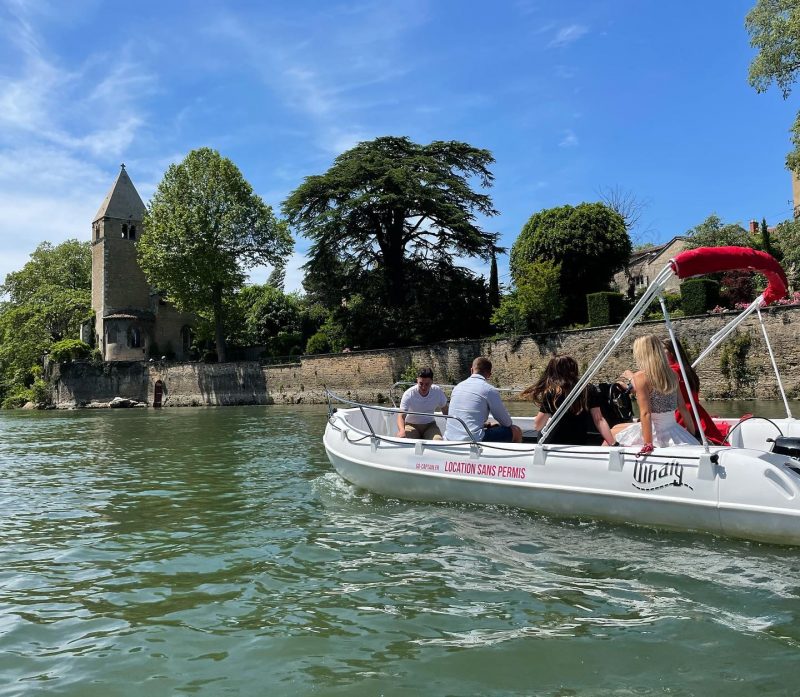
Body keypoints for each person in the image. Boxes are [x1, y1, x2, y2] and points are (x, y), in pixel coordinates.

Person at [611, 334, 698, 453]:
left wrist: (648, 444)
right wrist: (692, 434)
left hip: (655, 431)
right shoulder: (672, 374)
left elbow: (646, 413)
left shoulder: (640, 377)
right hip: (673, 428)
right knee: (616, 428)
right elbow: (683, 408)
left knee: (612, 432)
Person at [526, 355, 616, 446]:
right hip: (579, 441)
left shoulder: (552, 392)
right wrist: (612, 443)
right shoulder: (589, 389)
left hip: (554, 443)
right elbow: (599, 420)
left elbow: (538, 426)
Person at [661, 337, 727, 445]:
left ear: (672, 351)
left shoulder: (673, 371)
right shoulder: (687, 369)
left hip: (683, 414)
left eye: (663, 348)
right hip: (696, 412)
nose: (660, 352)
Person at [444, 357, 523, 443]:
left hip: (449, 438)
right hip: (473, 440)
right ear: (489, 375)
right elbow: (507, 423)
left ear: (471, 370)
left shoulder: (457, 387)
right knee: (516, 431)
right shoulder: (489, 390)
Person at [395, 367, 448, 440]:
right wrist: (401, 430)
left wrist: (453, 427)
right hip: (411, 425)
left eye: (427, 384)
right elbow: (401, 416)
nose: (423, 387)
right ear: (417, 381)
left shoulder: (437, 391)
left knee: (437, 440)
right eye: (421, 383)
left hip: (430, 425)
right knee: (408, 441)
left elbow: (446, 411)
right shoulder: (409, 394)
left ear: (432, 382)